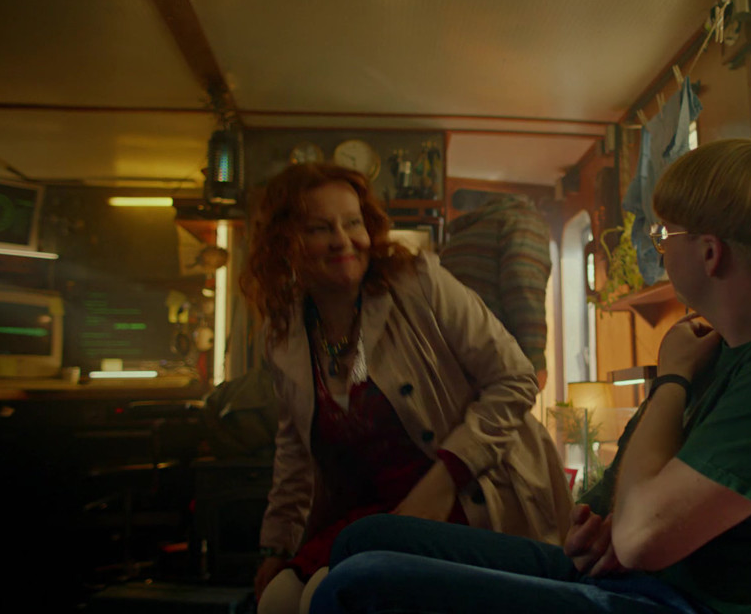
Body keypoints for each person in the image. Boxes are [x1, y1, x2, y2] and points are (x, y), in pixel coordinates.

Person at [307, 138, 751, 614]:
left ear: (710, 253)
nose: (659, 248)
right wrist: (598, 523)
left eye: (664, 234)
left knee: (358, 584)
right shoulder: (724, 344)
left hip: (697, 604)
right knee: (366, 539)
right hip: (643, 579)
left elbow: (643, 535)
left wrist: (671, 380)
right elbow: (614, 504)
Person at [241, 163, 573, 614]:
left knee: (327, 592)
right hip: (377, 511)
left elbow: (516, 378)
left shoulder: (418, 280)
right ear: (285, 243)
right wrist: (275, 547)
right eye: (320, 228)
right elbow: (295, 452)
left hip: (467, 494)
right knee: (276, 601)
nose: (343, 240)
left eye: (353, 222)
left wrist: (446, 478)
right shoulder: (283, 334)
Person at [438, 194, 552, 389]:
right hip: (488, 360)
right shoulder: (527, 223)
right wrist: (535, 363)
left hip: (449, 362)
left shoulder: (465, 233)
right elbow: (523, 286)